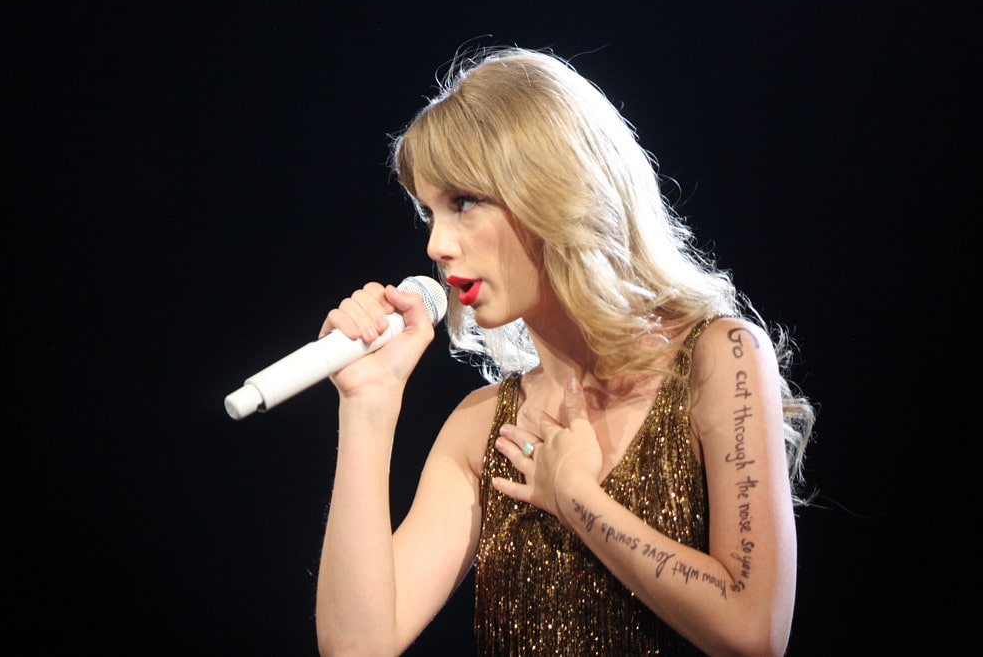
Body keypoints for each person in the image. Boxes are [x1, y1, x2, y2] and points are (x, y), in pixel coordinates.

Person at [314, 47, 814, 656]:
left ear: (553, 191)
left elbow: (754, 632)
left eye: (463, 202)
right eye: (428, 212)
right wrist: (368, 405)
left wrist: (576, 497)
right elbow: (356, 647)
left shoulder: (720, 357)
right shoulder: (480, 427)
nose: (436, 245)